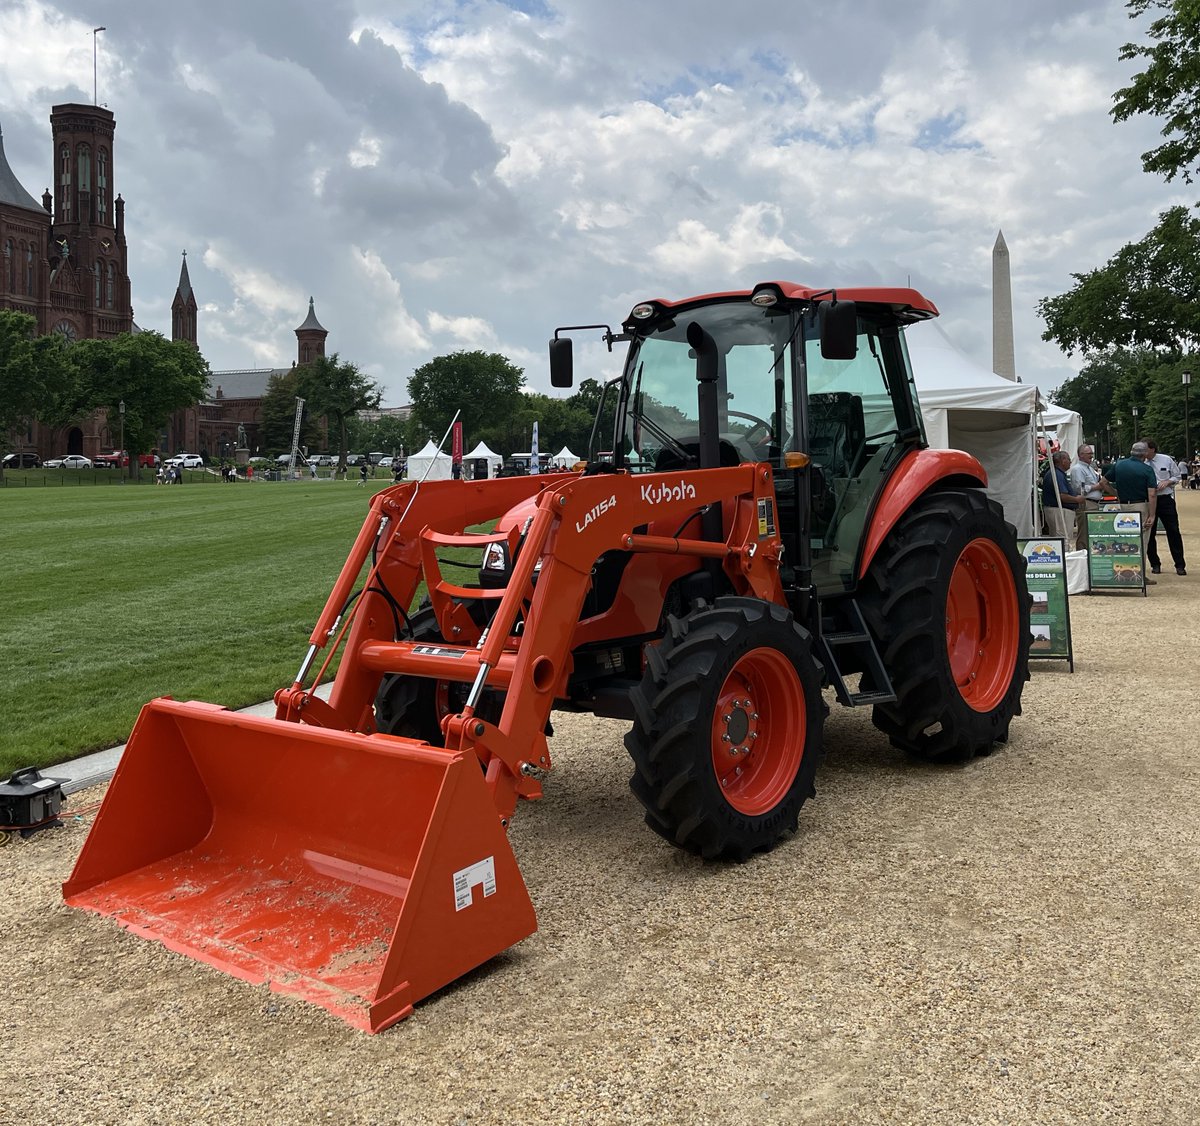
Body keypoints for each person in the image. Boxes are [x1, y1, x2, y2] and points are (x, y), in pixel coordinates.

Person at [1109, 441, 1158, 581]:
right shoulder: (1147, 469)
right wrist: (1152, 514)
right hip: (1140, 506)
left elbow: (1103, 482)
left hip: (1123, 506)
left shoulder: (1119, 465)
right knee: (1141, 541)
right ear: (1145, 454)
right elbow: (1152, 494)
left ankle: (1122, 570)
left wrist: (1116, 494)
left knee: (1125, 539)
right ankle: (1139, 574)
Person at [1144, 439, 1186, 575]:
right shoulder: (1141, 462)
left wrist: (1168, 482)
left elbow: (1177, 476)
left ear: (1152, 449)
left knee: (1173, 531)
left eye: (1145, 449)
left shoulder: (1166, 460)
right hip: (1149, 500)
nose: (1143, 452)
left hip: (1165, 499)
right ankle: (1155, 563)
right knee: (1150, 533)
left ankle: (1179, 564)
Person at [1067, 443, 1108, 551]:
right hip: (1086, 504)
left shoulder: (1090, 468)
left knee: (1092, 531)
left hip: (1093, 504)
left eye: (1092, 453)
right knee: (1084, 533)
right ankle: (1082, 553)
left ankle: (1089, 553)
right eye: (1089, 453)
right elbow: (1079, 488)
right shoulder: (1078, 469)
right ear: (1081, 455)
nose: (1091, 456)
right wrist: (1097, 486)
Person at [1041, 450, 1084, 544]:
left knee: (1057, 538)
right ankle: (1064, 556)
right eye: (1069, 459)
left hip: (1055, 509)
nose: (1070, 462)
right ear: (1063, 460)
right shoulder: (1057, 474)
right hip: (1060, 511)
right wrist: (1077, 499)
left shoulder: (1054, 473)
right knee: (1063, 539)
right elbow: (1062, 496)